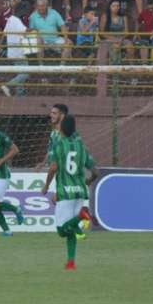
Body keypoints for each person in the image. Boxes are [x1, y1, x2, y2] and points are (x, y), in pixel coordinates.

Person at [41, 115, 97, 270]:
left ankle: (82, 216)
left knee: (61, 230)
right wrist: (89, 181)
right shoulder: (81, 146)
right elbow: (95, 171)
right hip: (79, 191)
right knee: (71, 228)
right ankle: (71, 262)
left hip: (65, 192)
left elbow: (53, 168)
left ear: (62, 128)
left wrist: (46, 186)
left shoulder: (58, 145)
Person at [0, 1, 37, 97]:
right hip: (18, 52)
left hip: (12, 52)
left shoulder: (11, 19)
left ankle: (20, 94)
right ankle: (8, 85)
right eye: (26, 11)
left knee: (21, 73)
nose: (26, 13)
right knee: (26, 73)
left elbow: (4, 33)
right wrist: (35, 30)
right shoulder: (16, 20)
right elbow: (25, 31)